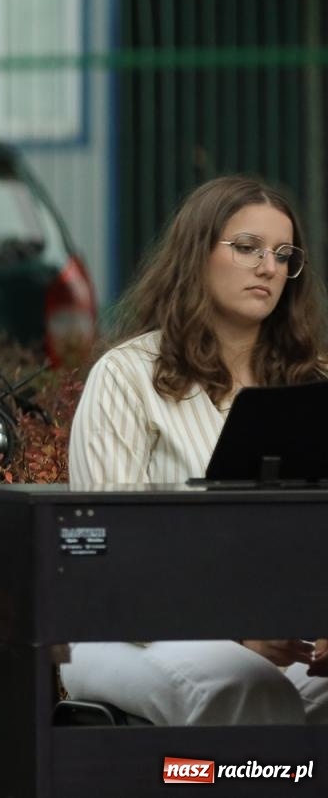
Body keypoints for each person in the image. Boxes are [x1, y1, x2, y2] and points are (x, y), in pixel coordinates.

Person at [63, 174, 328, 725]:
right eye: (248, 247)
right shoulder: (127, 376)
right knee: (250, 685)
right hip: (129, 632)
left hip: (284, 634)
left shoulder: (315, 382)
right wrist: (235, 629)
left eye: (283, 255)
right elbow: (110, 553)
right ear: (196, 254)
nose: (268, 267)